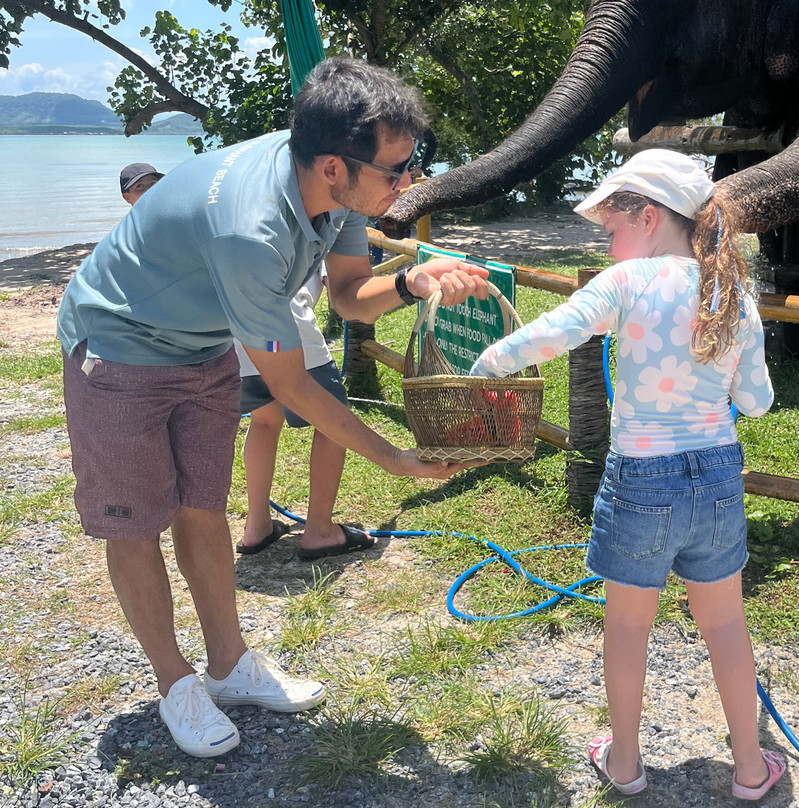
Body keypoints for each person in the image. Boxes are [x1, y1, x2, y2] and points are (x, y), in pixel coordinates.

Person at [57, 56, 488, 758]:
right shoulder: (249, 229)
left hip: (200, 345)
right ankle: (176, 684)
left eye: (414, 163)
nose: (408, 182)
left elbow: (349, 296)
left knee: (202, 505)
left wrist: (413, 280)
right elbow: (291, 387)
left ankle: (228, 666)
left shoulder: (341, 193)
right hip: (118, 343)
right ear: (331, 165)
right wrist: (394, 458)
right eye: (396, 170)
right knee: (133, 521)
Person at [470, 150, 785, 800]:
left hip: (642, 479)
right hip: (718, 478)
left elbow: (552, 333)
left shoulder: (628, 283)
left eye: (612, 228)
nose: (608, 242)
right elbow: (757, 401)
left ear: (647, 216)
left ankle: (625, 765)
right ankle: (751, 770)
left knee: (627, 626)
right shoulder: (733, 293)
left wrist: (486, 364)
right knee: (726, 624)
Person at [234, 266, 366, 560]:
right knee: (334, 424)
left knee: (264, 419)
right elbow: (346, 299)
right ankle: (320, 530)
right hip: (288, 326)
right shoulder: (328, 225)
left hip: (238, 325)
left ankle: (256, 526)